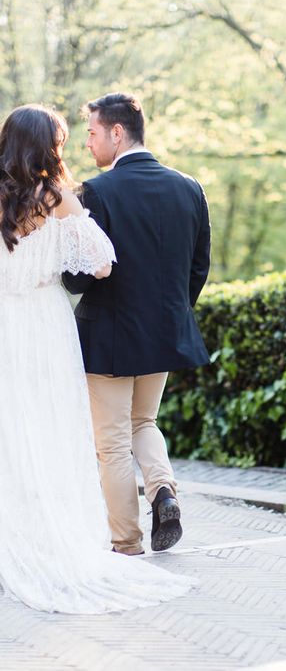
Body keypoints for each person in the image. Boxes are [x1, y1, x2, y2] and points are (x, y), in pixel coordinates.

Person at [0, 103, 194, 613]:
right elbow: (102, 262)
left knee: (15, 433)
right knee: (56, 432)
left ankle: (43, 540)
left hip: (9, 323)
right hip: (45, 326)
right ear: (47, 147)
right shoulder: (58, 198)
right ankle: (116, 517)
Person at [63, 92, 210, 555]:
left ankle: (125, 542)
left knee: (111, 444)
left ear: (117, 132)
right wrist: (169, 313)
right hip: (163, 333)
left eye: (91, 132)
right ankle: (163, 490)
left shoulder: (97, 192)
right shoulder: (189, 187)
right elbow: (198, 266)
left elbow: (78, 277)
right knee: (144, 421)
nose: (87, 143)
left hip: (108, 337)